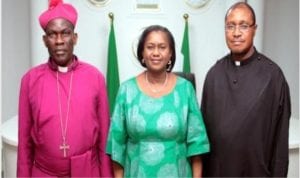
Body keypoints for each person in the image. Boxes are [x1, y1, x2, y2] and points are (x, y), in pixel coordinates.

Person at [17, 0, 113, 177]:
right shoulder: (30, 80)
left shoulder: (95, 78)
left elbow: (105, 138)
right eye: (52, 34)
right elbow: (24, 144)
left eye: (65, 33)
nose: (59, 41)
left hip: (87, 172)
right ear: (45, 40)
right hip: (44, 173)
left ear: (75, 37)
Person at [106, 25, 210, 177]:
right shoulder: (126, 90)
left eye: (162, 47)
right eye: (150, 47)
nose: (156, 53)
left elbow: (197, 145)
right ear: (142, 52)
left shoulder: (185, 89)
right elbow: (117, 146)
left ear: (170, 54)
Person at [201, 2, 291, 177]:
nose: (236, 33)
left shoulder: (273, 76)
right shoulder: (214, 74)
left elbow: (280, 144)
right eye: (230, 26)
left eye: (243, 26)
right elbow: (204, 136)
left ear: (254, 29)